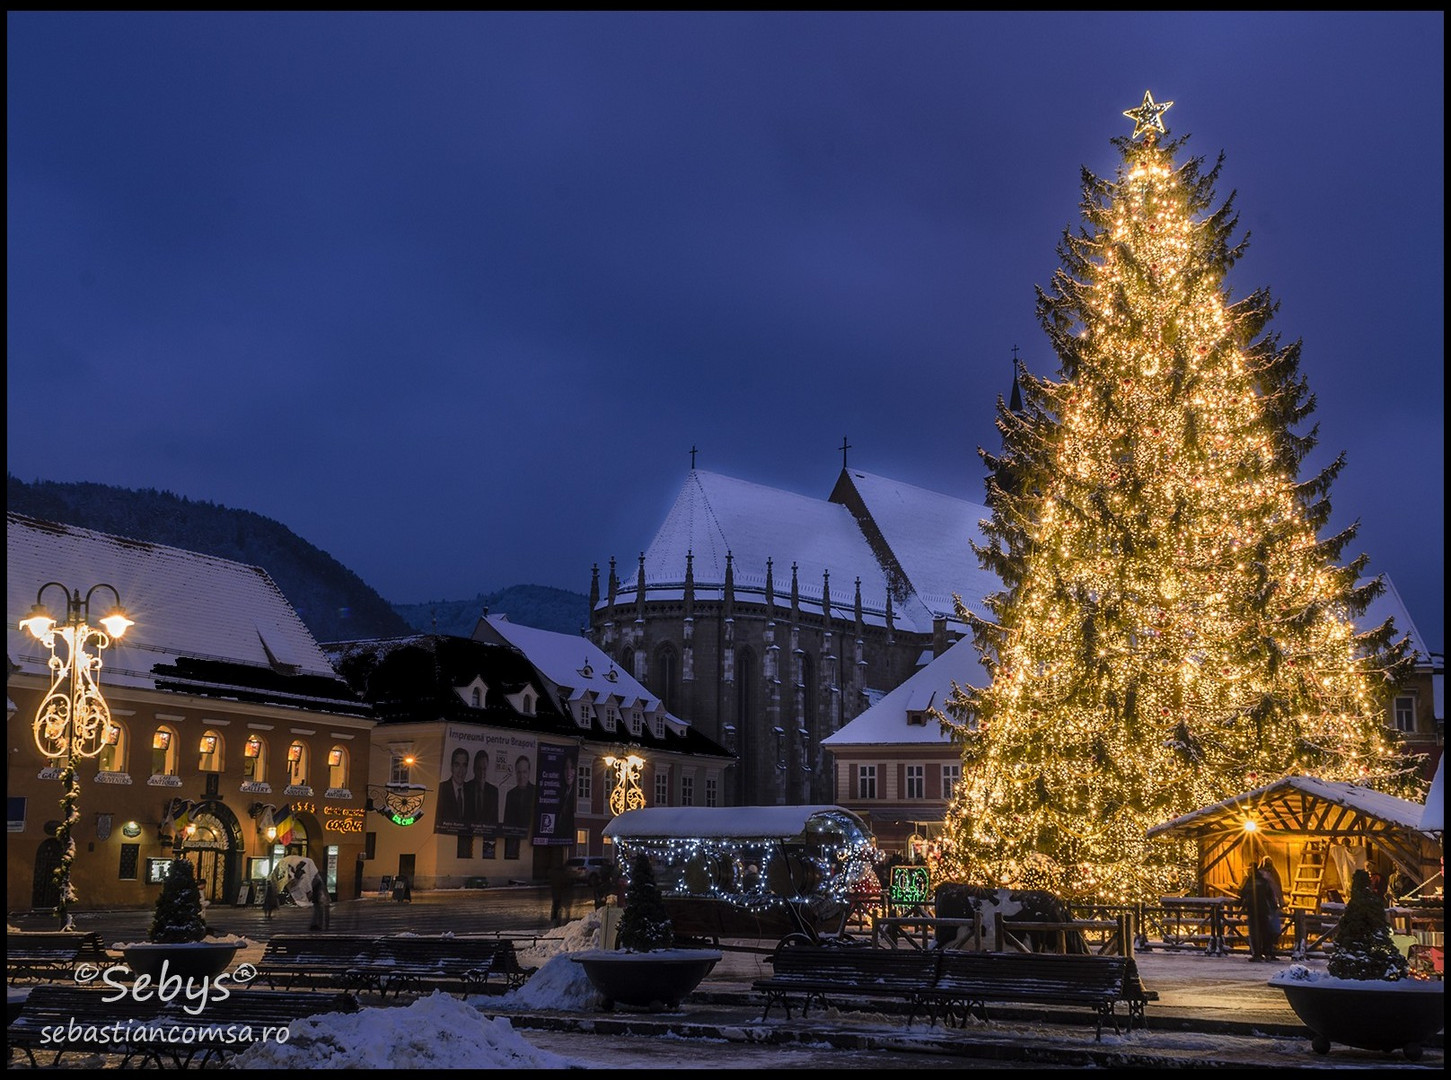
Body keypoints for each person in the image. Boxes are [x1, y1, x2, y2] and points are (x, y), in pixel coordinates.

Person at [1238, 858, 1281, 962]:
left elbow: (1242, 894)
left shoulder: (1249, 881)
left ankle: (1257, 954)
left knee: (1254, 933)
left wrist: (1241, 905)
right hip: (1264, 910)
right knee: (1266, 932)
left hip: (1253, 910)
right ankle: (1268, 953)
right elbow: (1270, 895)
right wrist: (1274, 906)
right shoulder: (1263, 880)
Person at [438, 747, 474, 826]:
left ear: (467, 768)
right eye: (457, 765)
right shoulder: (441, 789)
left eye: (464, 765)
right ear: (451, 767)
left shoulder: (471, 791)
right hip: (446, 837)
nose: (461, 771)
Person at [467, 748, 499, 829]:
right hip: (467, 834)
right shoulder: (465, 787)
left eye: (484, 769)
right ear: (474, 769)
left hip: (486, 836)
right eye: (479, 768)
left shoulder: (494, 792)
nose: (482, 773)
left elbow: (495, 821)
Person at [503, 754, 536, 830]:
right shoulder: (510, 795)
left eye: (524, 772)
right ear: (515, 773)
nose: (521, 776)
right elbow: (507, 823)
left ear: (529, 772)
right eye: (519, 772)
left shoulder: (535, 792)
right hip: (513, 837)